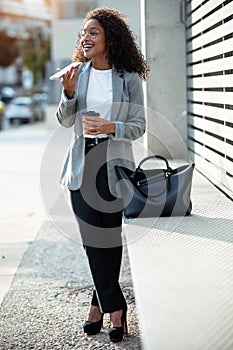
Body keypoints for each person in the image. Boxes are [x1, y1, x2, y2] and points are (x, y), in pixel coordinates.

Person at [56, 7, 149, 342]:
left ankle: (99, 308)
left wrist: (112, 127)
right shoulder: (75, 73)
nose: (86, 37)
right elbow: (65, 121)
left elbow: (139, 127)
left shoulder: (127, 78)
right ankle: (116, 308)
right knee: (91, 240)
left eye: (94, 32)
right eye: (84, 32)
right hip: (82, 166)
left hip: (113, 167)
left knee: (108, 241)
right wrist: (68, 93)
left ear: (110, 37)